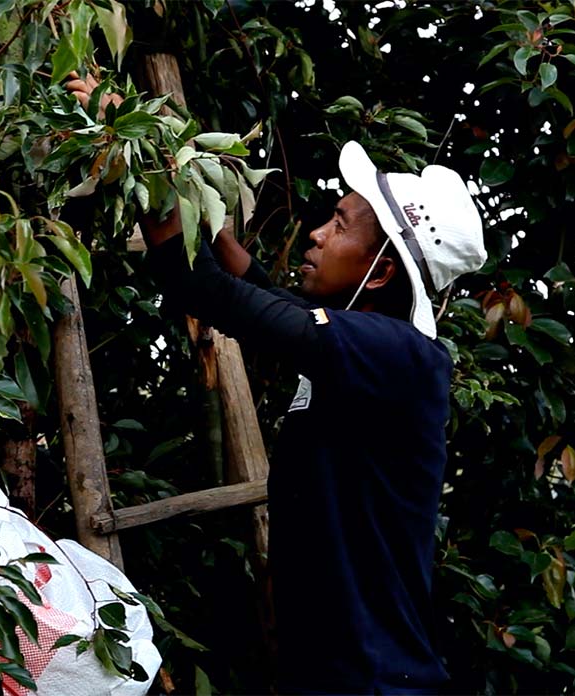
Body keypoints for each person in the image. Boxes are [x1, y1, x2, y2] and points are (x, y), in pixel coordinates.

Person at [69, 76, 487, 695]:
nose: (317, 233)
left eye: (340, 225)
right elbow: (257, 286)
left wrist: (144, 153)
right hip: (339, 673)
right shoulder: (359, 347)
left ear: (383, 272)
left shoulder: (399, 356)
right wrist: (192, 183)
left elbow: (212, 293)